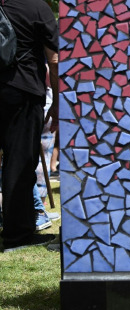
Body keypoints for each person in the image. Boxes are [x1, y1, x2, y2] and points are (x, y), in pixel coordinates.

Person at [0, 0, 58, 250]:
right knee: (20, 163)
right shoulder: (36, 8)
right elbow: (54, 58)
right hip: (21, 91)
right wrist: (57, 100)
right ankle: (17, 235)